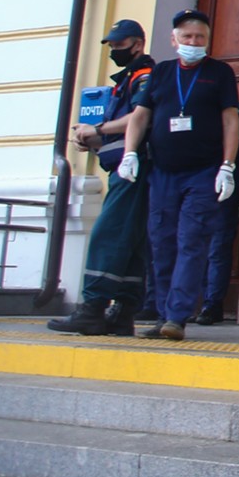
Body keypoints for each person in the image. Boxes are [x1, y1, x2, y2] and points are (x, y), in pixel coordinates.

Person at [118, 8, 239, 342]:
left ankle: (177, 317)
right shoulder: (160, 74)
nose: (193, 42)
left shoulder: (220, 73)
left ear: (208, 41)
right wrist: (129, 152)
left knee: (191, 241)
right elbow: (140, 116)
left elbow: (231, 120)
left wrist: (226, 166)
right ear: (174, 40)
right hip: (162, 173)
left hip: (202, 172)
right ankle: (162, 313)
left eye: (200, 37)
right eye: (187, 37)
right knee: (161, 241)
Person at [46, 19, 155, 336]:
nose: (114, 51)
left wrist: (98, 130)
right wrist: (95, 138)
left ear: (137, 43)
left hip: (134, 169)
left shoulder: (143, 77)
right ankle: (122, 313)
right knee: (130, 243)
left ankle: (92, 308)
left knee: (107, 235)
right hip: (127, 168)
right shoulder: (129, 78)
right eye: (111, 45)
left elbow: (139, 119)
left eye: (119, 45)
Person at [195, 109, 239, 325]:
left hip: (223, 198)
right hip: (197, 194)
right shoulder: (200, 119)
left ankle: (212, 305)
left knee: (217, 250)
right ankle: (197, 303)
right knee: (195, 249)